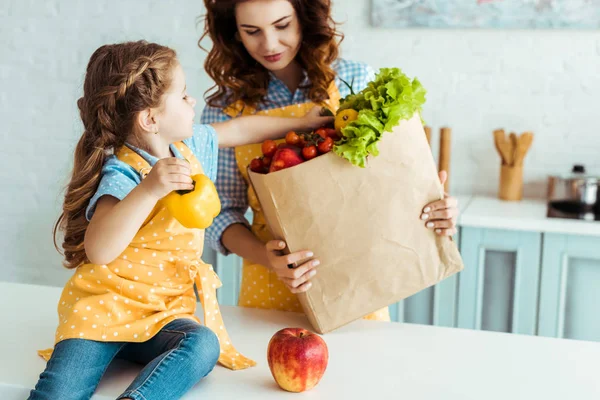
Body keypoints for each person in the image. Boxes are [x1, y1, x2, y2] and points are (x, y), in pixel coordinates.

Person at [29, 40, 332, 400]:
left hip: (161, 316)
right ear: (150, 118)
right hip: (104, 315)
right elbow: (98, 249)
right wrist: (149, 190)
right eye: (184, 95)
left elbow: (239, 130)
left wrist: (299, 122)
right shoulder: (123, 173)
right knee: (59, 391)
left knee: (203, 345)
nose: (193, 103)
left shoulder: (189, 150)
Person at [200, 0, 459, 320]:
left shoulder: (357, 80)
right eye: (252, 31)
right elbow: (220, 212)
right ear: (235, 33)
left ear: (304, 18)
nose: (268, 44)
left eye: (282, 25)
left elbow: (390, 182)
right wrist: (271, 260)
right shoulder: (223, 110)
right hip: (271, 284)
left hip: (358, 280)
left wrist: (437, 206)